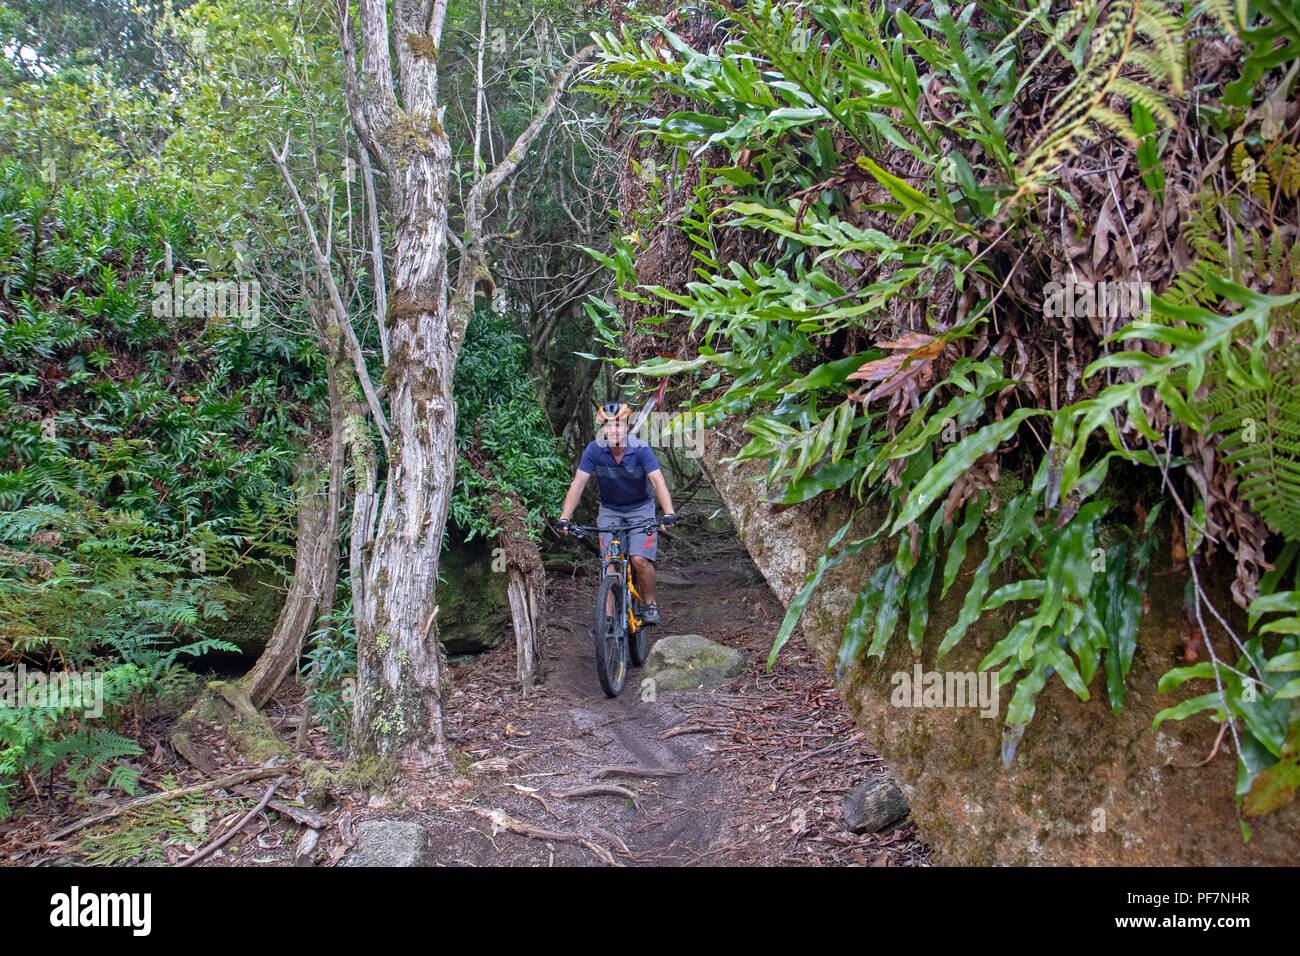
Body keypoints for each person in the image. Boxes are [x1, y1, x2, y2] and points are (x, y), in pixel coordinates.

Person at [555, 402, 676, 625]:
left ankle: (650, 603)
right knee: (609, 562)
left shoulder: (640, 449)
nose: (614, 431)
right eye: (608, 426)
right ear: (602, 428)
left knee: (639, 559)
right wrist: (565, 517)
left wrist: (668, 512)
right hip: (610, 509)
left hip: (640, 508)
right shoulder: (594, 450)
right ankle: (608, 620)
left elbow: (658, 482)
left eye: (619, 425)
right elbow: (578, 484)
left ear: (627, 426)